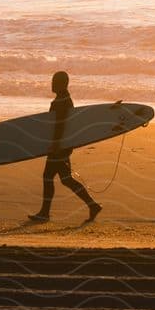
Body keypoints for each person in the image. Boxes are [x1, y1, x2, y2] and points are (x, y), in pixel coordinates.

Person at [28, 70, 101, 224]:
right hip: (63, 145)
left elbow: (60, 125)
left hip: (59, 146)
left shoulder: (61, 101)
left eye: (54, 81)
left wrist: (55, 145)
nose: (52, 84)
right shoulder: (65, 99)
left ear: (61, 84)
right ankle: (92, 205)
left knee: (49, 177)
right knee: (66, 179)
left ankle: (45, 213)